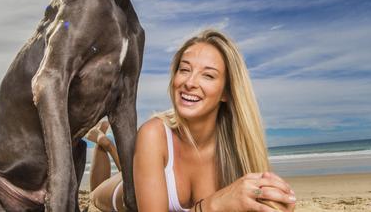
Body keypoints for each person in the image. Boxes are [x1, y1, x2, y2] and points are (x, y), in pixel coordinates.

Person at [88, 29, 296, 212]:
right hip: (120, 196)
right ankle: (103, 143)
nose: (189, 82)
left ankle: (109, 146)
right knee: (97, 194)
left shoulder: (239, 147)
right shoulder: (154, 133)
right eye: (185, 69)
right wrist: (213, 205)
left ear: (226, 92)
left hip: (147, 173)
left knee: (134, 172)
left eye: (208, 75)